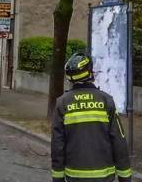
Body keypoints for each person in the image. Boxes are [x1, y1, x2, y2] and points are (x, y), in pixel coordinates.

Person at [51, 53, 132, 182]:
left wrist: (57, 177)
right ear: (90, 73)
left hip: (75, 176)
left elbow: (57, 144)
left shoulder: (62, 103)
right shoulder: (106, 100)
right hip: (104, 176)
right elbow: (118, 141)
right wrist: (125, 177)